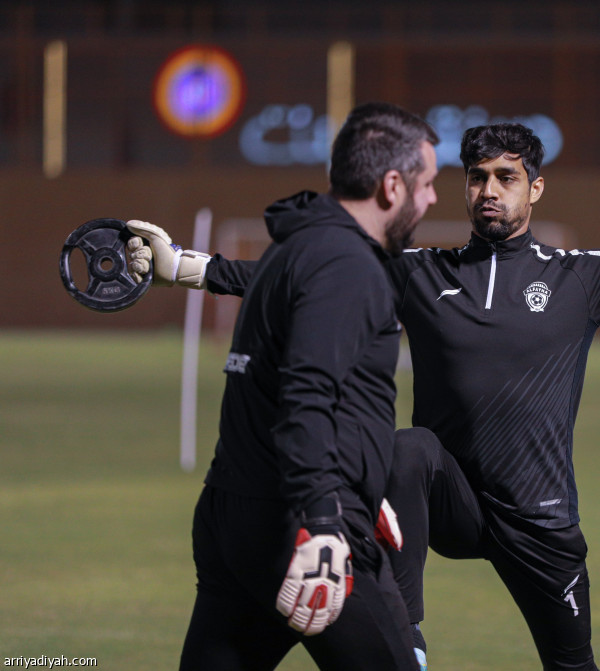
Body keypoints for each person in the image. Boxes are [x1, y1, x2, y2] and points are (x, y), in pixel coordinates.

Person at [130, 122, 600, 671]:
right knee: (407, 448)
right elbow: (296, 275)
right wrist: (184, 267)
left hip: (540, 518)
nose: (488, 190)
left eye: (505, 176)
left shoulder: (584, 274)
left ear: (534, 187)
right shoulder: (418, 271)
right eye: (477, 176)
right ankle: (409, 638)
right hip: (450, 500)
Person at [126, 102, 439, 671]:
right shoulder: (348, 265)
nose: (433, 199)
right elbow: (307, 396)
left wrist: (364, 490)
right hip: (302, 525)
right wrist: (325, 519)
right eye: (428, 183)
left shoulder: (293, 249)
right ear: (392, 185)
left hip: (232, 516)